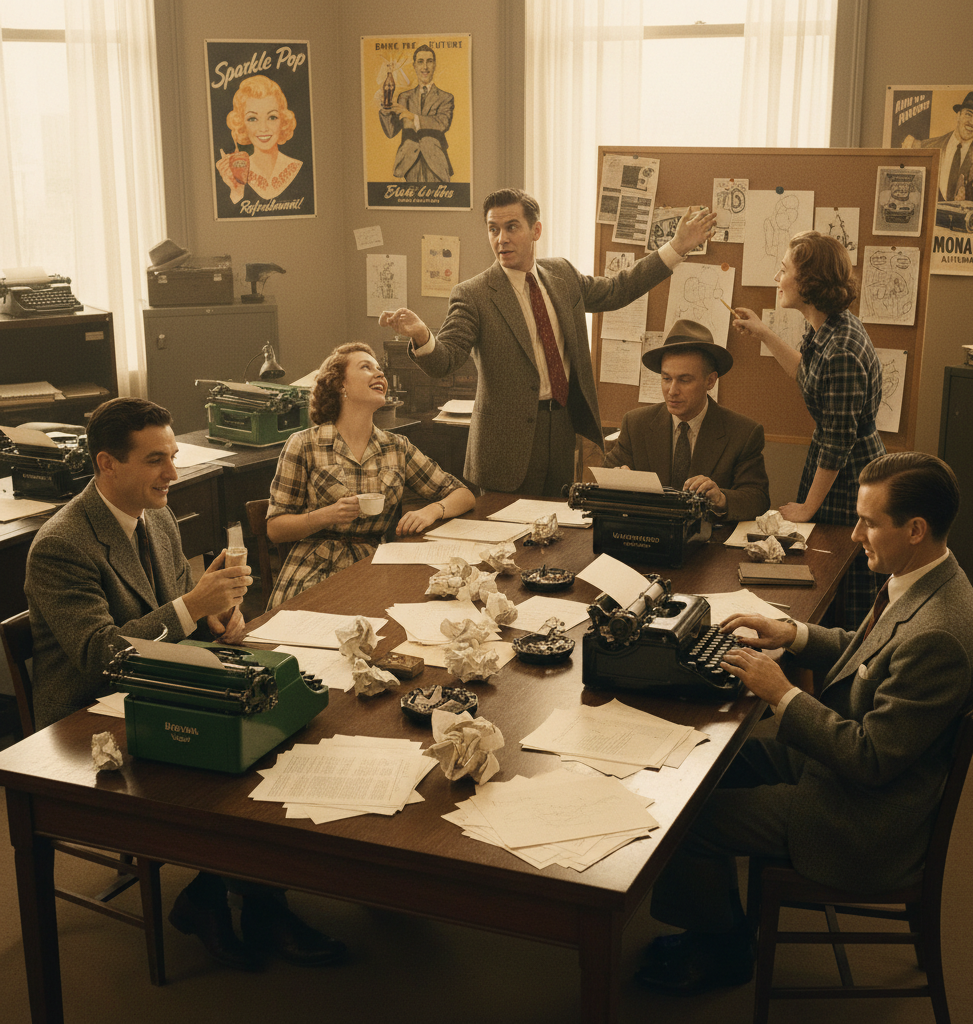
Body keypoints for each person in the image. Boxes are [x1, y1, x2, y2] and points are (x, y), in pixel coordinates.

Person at [637, 452, 973, 996]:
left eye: (869, 522)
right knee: (706, 757)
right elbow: (877, 656)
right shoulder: (931, 578)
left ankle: (724, 947)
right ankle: (721, 920)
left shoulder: (939, 637)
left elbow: (870, 759)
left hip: (861, 817)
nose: (855, 533)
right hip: (849, 773)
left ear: (915, 529)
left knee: (686, 820)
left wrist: (782, 693)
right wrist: (794, 634)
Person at [24, 397, 345, 972]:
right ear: (107, 465)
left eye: (172, 456)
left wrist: (218, 617)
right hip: (84, 719)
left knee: (276, 721)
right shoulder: (61, 545)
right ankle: (226, 897)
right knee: (239, 757)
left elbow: (175, 617)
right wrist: (192, 605)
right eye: (155, 461)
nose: (173, 473)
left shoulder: (160, 518)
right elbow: (101, 658)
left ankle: (233, 896)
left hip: (151, 683)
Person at [378, 187, 717, 496]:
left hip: (561, 427)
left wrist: (677, 248)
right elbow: (446, 360)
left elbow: (617, 290)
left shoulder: (563, 276)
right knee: (504, 542)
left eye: (512, 227)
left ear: (535, 230)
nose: (501, 239)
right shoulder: (473, 294)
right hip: (504, 446)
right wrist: (422, 335)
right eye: (493, 229)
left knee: (558, 534)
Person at [731, 230, 885, 629]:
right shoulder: (828, 326)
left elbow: (837, 443)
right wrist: (764, 332)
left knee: (839, 577)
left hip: (849, 473)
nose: (777, 279)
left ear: (809, 283)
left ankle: (842, 672)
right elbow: (806, 374)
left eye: (784, 271)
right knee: (824, 575)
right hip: (834, 463)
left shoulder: (842, 350)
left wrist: (807, 509)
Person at [266, 342, 475, 607]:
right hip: (314, 568)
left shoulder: (396, 446)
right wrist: (328, 515)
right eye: (366, 367)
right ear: (340, 384)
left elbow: (464, 495)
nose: (380, 375)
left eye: (380, 369)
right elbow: (275, 528)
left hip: (376, 567)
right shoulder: (304, 444)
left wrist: (431, 511)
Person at [604, 319, 770, 521]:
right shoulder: (636, 424)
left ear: (710, 381)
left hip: (709, 543)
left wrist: (721, 498)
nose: (672, 391)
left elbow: (758, 499)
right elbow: (605, 477)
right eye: (666, 379)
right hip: (648, 538)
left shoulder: (743, 433)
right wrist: (617, 479)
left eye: (684, 380)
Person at [215, 74, 312, 212]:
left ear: (283, 120)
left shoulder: (304, 173)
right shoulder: (235, 176)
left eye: (272, 117)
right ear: (242, 124)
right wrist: (237, 192)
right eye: (253, 119)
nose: (263, 128)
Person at [904, 91, 973, 210]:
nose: (972, 122)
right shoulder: (928, 146)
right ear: (958, 115)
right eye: (968, 114)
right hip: (933, 221)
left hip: (967, 224)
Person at [378, 44, 454, 183]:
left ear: (435, 65)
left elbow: (442, 123)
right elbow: (390, 132)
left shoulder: (445, 97)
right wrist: (386, 110)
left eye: (429, 61)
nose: (425, 67)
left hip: (436, 163)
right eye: (420, 62)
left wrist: (413, 117)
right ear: (414, 66)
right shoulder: (404, 97)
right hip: (408, 163)